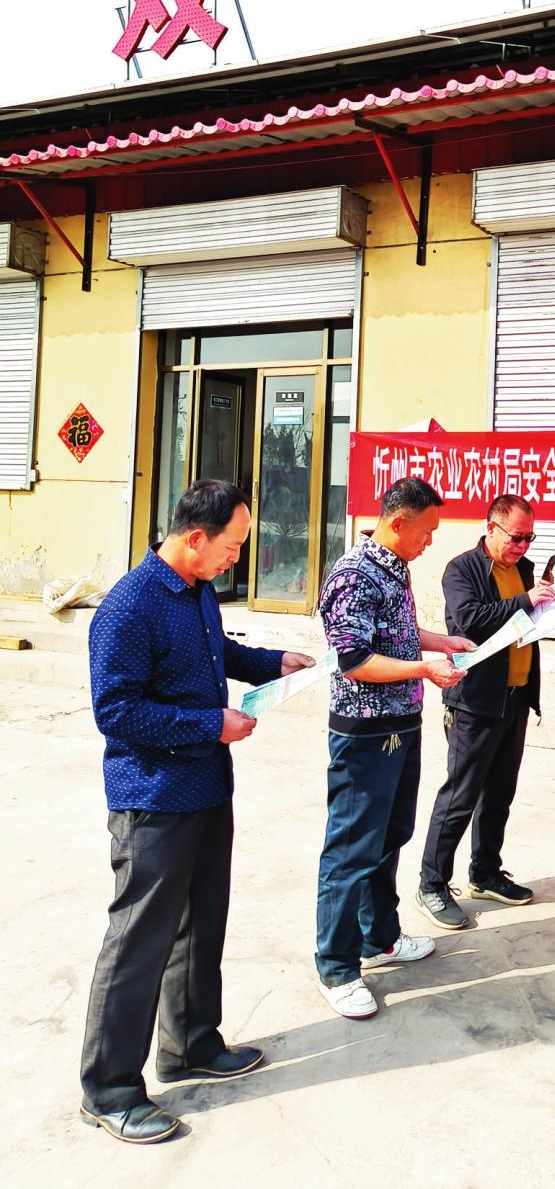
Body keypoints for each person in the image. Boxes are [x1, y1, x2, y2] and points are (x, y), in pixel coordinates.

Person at [80, 480, 315, 1144]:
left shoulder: (198, 589)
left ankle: (190, 1043)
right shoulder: (129, 607)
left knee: (201, 925)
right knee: (139, 942)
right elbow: (116, 712)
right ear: (194, 538)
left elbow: (217, 653)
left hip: (207, 789)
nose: (237, 558)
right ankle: (109, 1090)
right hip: (153, 800)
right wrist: (211, 725)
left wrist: (273, 662)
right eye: (232, 546)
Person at [316, 477, 472, 1019]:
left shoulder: (394, 567)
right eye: (426, 532)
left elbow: (395, 632)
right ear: (398, 523)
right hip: (365, 733)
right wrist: (425, 669)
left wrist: (439, 641)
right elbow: (355, 660)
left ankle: (378, 937)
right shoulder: (353, 575)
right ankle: (336, 967)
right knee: (351, 850)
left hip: (402, 725)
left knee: (389, 838)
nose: (430, 542)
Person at [416, 494, 554, 930]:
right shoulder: (462, 570)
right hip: (474, 702)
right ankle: (432, 884)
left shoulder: (524, 569)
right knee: (460, 796)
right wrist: (526, 601)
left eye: (529, 538)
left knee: (499, 794)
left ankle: (486, 873)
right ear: (491, 527)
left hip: (514, 697)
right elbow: (471, 620)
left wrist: (549, 607)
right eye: (516, 538)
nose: (522, 547)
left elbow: (525, 619)